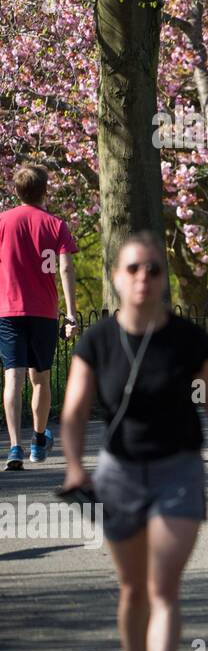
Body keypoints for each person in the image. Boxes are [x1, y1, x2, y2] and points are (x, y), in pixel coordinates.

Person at [59, 230, 208, 651]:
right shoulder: (97, 341)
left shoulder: (188, 340)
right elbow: (73, 412)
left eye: (153, 269)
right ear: (116, 278)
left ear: (164, 279)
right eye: (133, 268)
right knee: (133, 588)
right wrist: (73, 465)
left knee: (163, 586)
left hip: (178, 471)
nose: (143, 276)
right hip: (118, 474)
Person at [0, 164, 79, 470]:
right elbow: (66, 268)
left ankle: (14, 447)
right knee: (40, 378)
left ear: (16, 191)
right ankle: (36, 441)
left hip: (8, 310)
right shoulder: (56, 225)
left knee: (13, 377)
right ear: (45, 190)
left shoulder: (3, 222)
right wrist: (70, 315)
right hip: (44, 311)